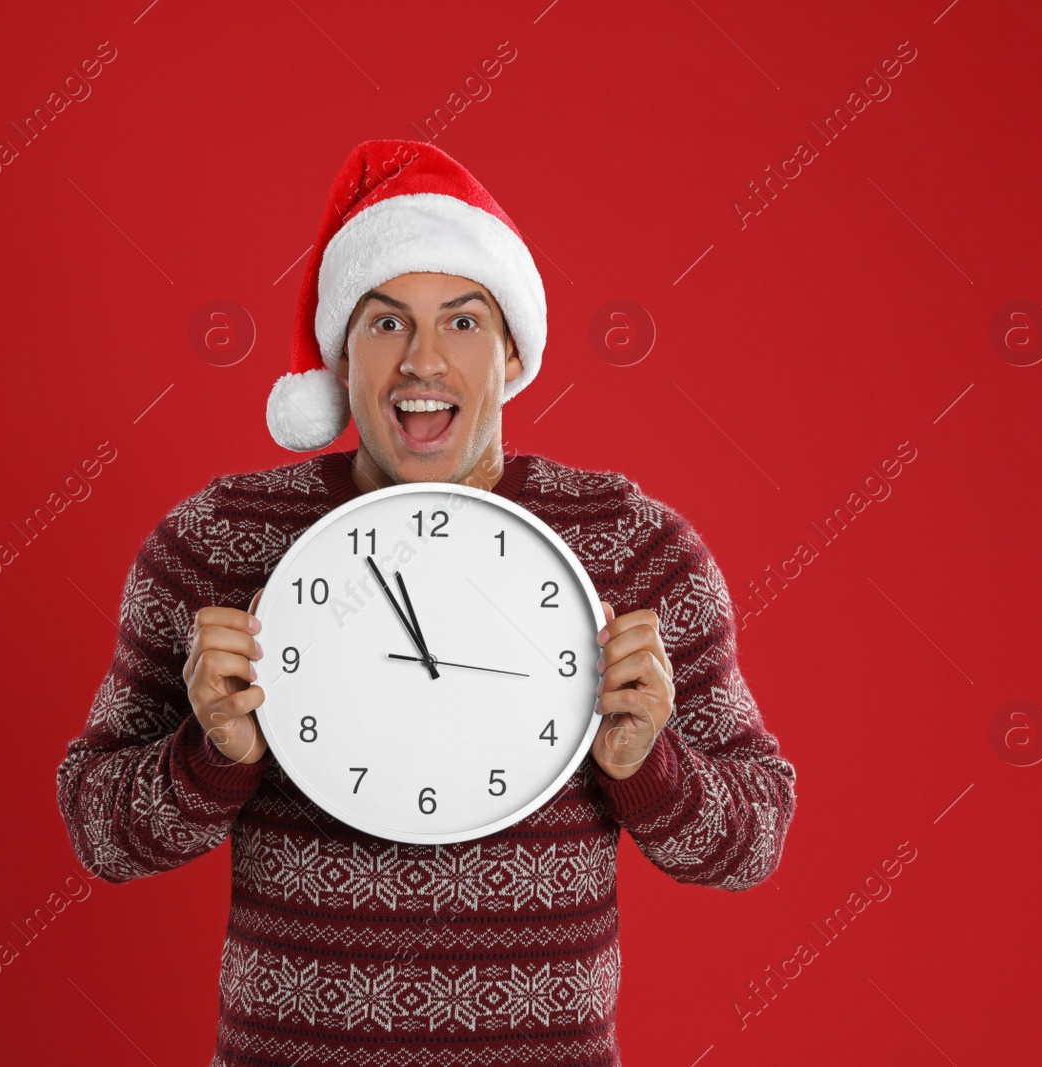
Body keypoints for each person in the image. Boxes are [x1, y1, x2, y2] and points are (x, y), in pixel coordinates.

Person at [55, 139, 798, 1066]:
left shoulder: (633, 545)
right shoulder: (216, 539)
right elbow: (99, 830)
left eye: (461, 322)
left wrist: (647, 764)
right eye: (386, 324)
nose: (424, 363)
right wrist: (215, 756)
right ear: (340, 352)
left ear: (513, 349)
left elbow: (751, 840)